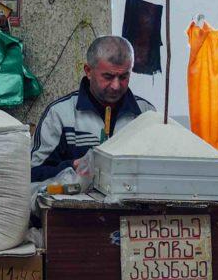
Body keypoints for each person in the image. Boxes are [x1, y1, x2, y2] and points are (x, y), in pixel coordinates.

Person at [31, 35, 154, 183]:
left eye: (123, 77)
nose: (116, 86)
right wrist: (72, 166)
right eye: (108, 76)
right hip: (74, 205)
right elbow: (31, 173)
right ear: (88, 71)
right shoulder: (60, 114)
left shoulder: (146, 114)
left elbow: (161, 168)